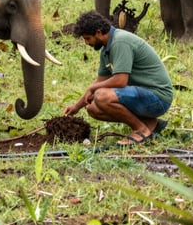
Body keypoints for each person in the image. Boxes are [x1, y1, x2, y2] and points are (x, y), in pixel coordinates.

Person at [63, 11, 174, 146]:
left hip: (158, 97)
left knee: (102, 96)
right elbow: (100, 81)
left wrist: (93, 88)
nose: (87, 43)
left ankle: (140, 130)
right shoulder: (106, 50)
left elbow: (120, 81)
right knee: (92, 108)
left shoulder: (120, 42)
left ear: (98, 32)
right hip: (141, 95)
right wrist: (76, 107)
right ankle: (150, 123)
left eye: (87, 38)